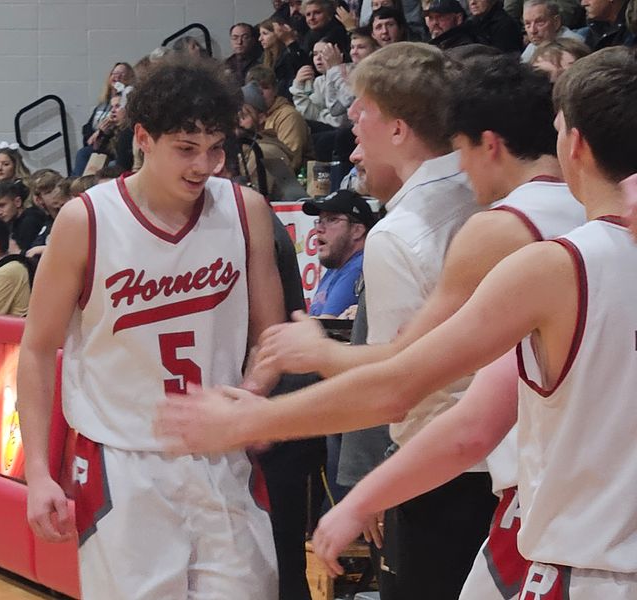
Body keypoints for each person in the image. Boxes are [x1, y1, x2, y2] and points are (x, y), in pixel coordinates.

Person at [159, 43, 488, 600]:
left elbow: (398, 386)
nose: (352, 121)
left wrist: (309, 371)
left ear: (399, 128)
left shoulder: (403, 232)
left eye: (364, 110)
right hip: (493, 465)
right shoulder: (479, 196)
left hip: (443, 470)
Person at [311, 47, 637, 599]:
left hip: (557, 537)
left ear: (576, 144)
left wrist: (265, 408)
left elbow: (406, 383)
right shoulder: (573, 229)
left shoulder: (528, 246)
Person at [17, 56, 285, 600]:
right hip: (124, 461)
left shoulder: (246, 210)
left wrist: (254, 394)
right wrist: (39, 473)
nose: (203, 165)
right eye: (186, 148)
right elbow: (38, 350)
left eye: (215, 148)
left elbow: (271, 336)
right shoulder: (86, 219)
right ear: (143, 138)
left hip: (221, 456)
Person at [305, 189, 375, 318]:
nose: (319, 229)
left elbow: (327, 324)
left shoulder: (359, 267)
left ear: (357, 230)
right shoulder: (337, 267)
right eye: (319, 221)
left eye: (332, 219)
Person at [247, 65, 312, 172]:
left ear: (275, 90)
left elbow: (291, 160)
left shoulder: (289, 116)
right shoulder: (248, 117)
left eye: (265, 87)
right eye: (255, 88)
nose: (260, 92)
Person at [0, 180, 46, 252]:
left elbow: (30, 255)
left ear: (17, 202)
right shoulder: (10, 224)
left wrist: (18, 252)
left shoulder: (30, 221)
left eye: (2, 205)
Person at [521, 0, 585, 62]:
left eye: (539, 22)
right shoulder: (532, 46)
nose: (532, 31)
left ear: (556, 22)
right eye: (527, 24)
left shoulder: (574, 46)